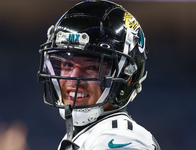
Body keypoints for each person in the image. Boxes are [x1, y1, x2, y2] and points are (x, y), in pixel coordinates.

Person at [38, 0, 161, 149]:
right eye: (68, 64)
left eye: (91, 67)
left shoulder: (121, 138)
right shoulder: (88, 134)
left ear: (126, 78)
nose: (73, 79)